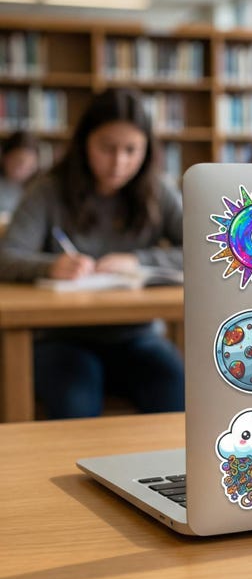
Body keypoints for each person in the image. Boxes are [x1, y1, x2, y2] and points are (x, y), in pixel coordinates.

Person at [0, 89, 185, 418]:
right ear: (85, 142)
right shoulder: (48, 190)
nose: (119, 162)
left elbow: (208, 248)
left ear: (147, 149)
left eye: (131, 150)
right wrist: (50, 266)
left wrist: (139, 260)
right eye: (107, 148)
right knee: (76, 402)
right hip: (61, 338)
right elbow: (7, 255)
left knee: (179, 391)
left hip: (137, 335)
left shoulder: (157, 191)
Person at [0, 130, 39, 217]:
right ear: (4, 158)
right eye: (17, 162)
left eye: (29, 164)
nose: (22, 168)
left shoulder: (39, 188)